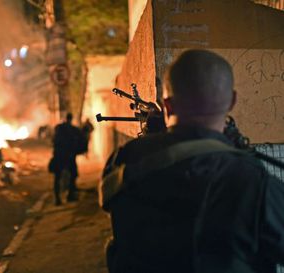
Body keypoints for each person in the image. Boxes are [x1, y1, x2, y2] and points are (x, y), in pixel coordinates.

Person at [99, 49, 284, 273]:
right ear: (232, 101)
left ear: (167, 106)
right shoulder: (254, 181)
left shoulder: (126, 160)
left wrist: (153, 138)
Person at [51, 112, 84, 205]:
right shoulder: (73, 130)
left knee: (57, 177)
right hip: (69, 156)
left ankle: (57, 199)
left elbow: (53, 141)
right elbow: (80, 140)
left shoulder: (58, 128)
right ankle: (70, 196)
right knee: (73, 175)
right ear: (71, 119)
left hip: (58, 156)